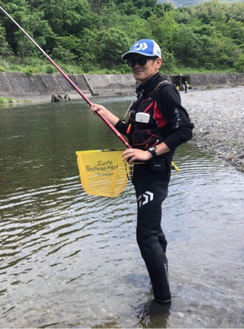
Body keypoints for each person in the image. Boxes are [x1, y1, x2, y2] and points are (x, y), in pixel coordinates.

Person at [90, 39, 193, 304]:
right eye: (132, 61)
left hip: (154, 171)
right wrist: (105, 114)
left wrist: (149, 153)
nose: (136, 65)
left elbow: (184, 130)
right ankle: (161, 281)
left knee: (145, 236)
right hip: (142, 174)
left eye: (142, 60)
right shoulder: (142, 93)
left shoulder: (164, 91)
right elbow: (130, 131)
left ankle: (162, 302)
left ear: (157, 62)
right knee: (154, 231)